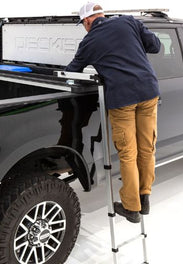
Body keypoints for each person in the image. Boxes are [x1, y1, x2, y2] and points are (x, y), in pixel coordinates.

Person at [65, 2, 161, 223]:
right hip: (148, 92)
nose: (84, 27)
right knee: (147, 148)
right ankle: (144, 197)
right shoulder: (128, 22)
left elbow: (72, 72)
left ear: (88, 20)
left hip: (122, 100)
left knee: (129, 153)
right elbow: (155, 45)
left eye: (83, 24)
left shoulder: (89, 41)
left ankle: (131, 208)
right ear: (102, 15)